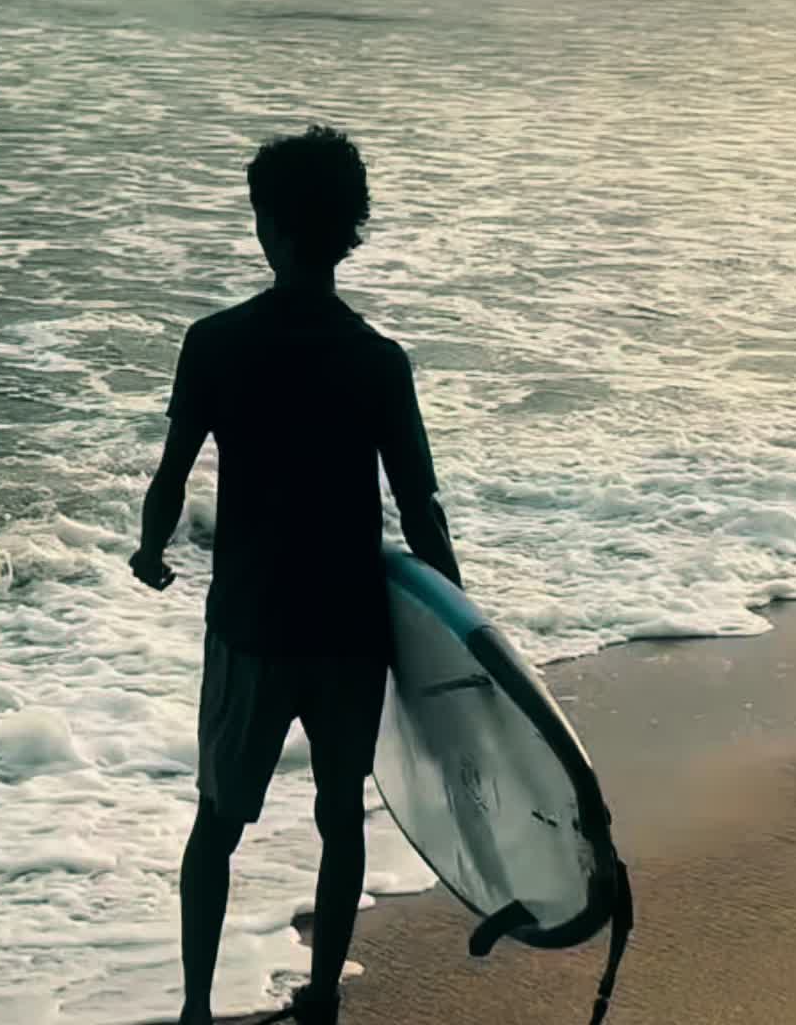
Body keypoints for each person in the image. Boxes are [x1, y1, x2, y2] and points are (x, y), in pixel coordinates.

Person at [131, 125, 462, 1025]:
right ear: (348, 229)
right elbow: (421, 510)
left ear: (269, 225)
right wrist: (462, 628)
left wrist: (151, 552)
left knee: (217, 821)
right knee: (339, 816)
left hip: (253, 625)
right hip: (350, 631)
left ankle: (197, 1010)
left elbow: (171, 477)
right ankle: (320, 998)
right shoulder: (378, 361)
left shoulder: (216, 343)